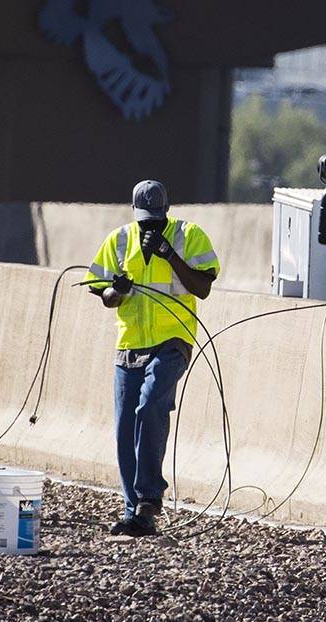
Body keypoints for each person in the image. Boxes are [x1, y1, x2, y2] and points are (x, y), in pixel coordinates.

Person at [86, 180, 220, 537]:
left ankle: (149, 499)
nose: (150, 227)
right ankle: (135, 514)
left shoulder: (189, 235)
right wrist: (118, 289)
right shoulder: (118, 241)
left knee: (150, 406)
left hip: (173, 341)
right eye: (145, 221)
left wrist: (168, 254)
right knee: (124, 428)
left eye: (156, 221)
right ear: (134, 213)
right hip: (129, 344)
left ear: (167, 211)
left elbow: (202, 288)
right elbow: (105, 296)